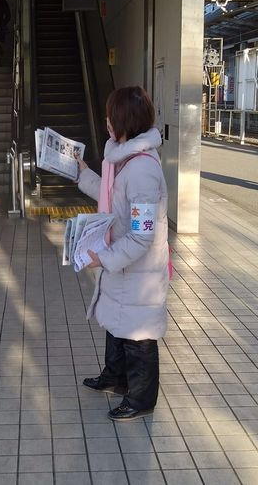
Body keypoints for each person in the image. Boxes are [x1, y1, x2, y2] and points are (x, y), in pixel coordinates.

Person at [75, 87, 169, 422]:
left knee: (138, 334)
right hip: (124, 265)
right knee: (116, 322)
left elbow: (143, 235)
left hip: (138, 271)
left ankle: (141, 398)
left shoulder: (142, 170)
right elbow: (112, 197)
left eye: (110, 116)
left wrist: (104, 257)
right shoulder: (124, 158)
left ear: (123, 121)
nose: (106, 122)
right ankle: (115, 377)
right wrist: (82, 173)